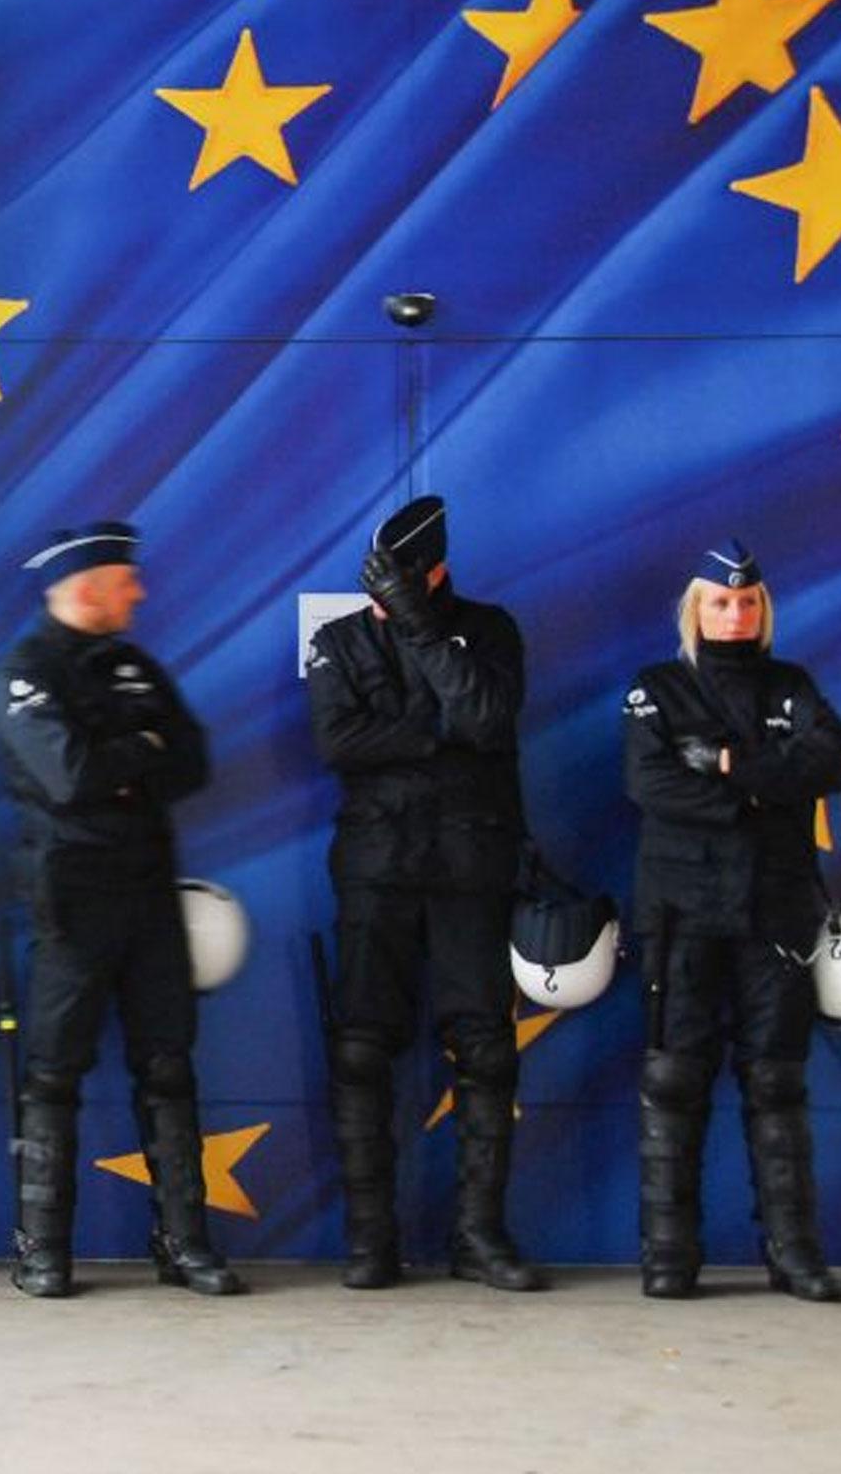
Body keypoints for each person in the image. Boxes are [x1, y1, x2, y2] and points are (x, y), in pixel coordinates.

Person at [0, 522, 242, 1299]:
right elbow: (69, 776)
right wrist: (139, 750)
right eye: (124, 579)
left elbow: (193, 759)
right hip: (73, 897)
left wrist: (121, 759)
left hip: (149, 893)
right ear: (87, 584)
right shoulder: (24, 672)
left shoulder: (135, 664)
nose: (137, 591)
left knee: (167, 1067)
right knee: (55, 1073)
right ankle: (42, 1251)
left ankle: (184, 1244)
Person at [306, 495, 543, 1291]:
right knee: (363, 1044)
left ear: (434, 569)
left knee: (484, 1047)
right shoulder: (337, 640)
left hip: (469, 866)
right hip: (376, 865)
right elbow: (339, 743)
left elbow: (486, 713)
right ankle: (370, 1241)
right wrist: (434, 735)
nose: (383, 593)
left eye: (401, 580)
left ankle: (478, 1236)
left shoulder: (489, 629)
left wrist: (421, 629)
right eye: (377, 583)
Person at [623, 540, 841, 1302]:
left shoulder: (792, 685)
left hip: (775, 910)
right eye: (721, 602)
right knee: (673, 1079)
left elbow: (827, 762)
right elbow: (652, 786)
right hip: (681, 913)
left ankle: (794, 1258)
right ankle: (668, 1258)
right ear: (696, 609)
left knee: (777, 1082)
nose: (735, 612)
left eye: (747, 601)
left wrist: (726, 768)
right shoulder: (658, 688)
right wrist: (763, 790)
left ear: (763, 608)